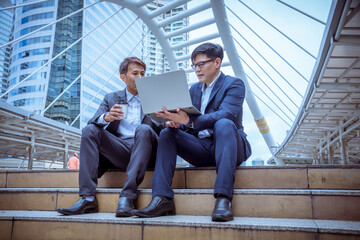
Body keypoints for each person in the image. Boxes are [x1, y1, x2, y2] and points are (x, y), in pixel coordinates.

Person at [133, 43, 251, 222]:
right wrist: (175, 122)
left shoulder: (234, 84)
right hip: (201, 148)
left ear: (217, 62)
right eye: (194, 65)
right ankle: (162, 199)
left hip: (230, 147)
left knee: (224, 123)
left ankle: (223, 199)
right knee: (167, 133)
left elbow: (225, 113)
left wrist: (188, 121)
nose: (197, 69)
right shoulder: (194, 89)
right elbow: (187, 123)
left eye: (201, 64)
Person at [57, 57, 164, 217]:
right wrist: (106, 117)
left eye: (143, 73)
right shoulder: (111, 98)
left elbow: (164, 130)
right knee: (89, 130)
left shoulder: (154, 97)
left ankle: (128, 196)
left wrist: (162, 118)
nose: (141, 77)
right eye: (135, 73)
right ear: (123, 77)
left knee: (144, 129)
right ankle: (87, 198)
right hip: (120, 151)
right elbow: (93, 120)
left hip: (147, 151)